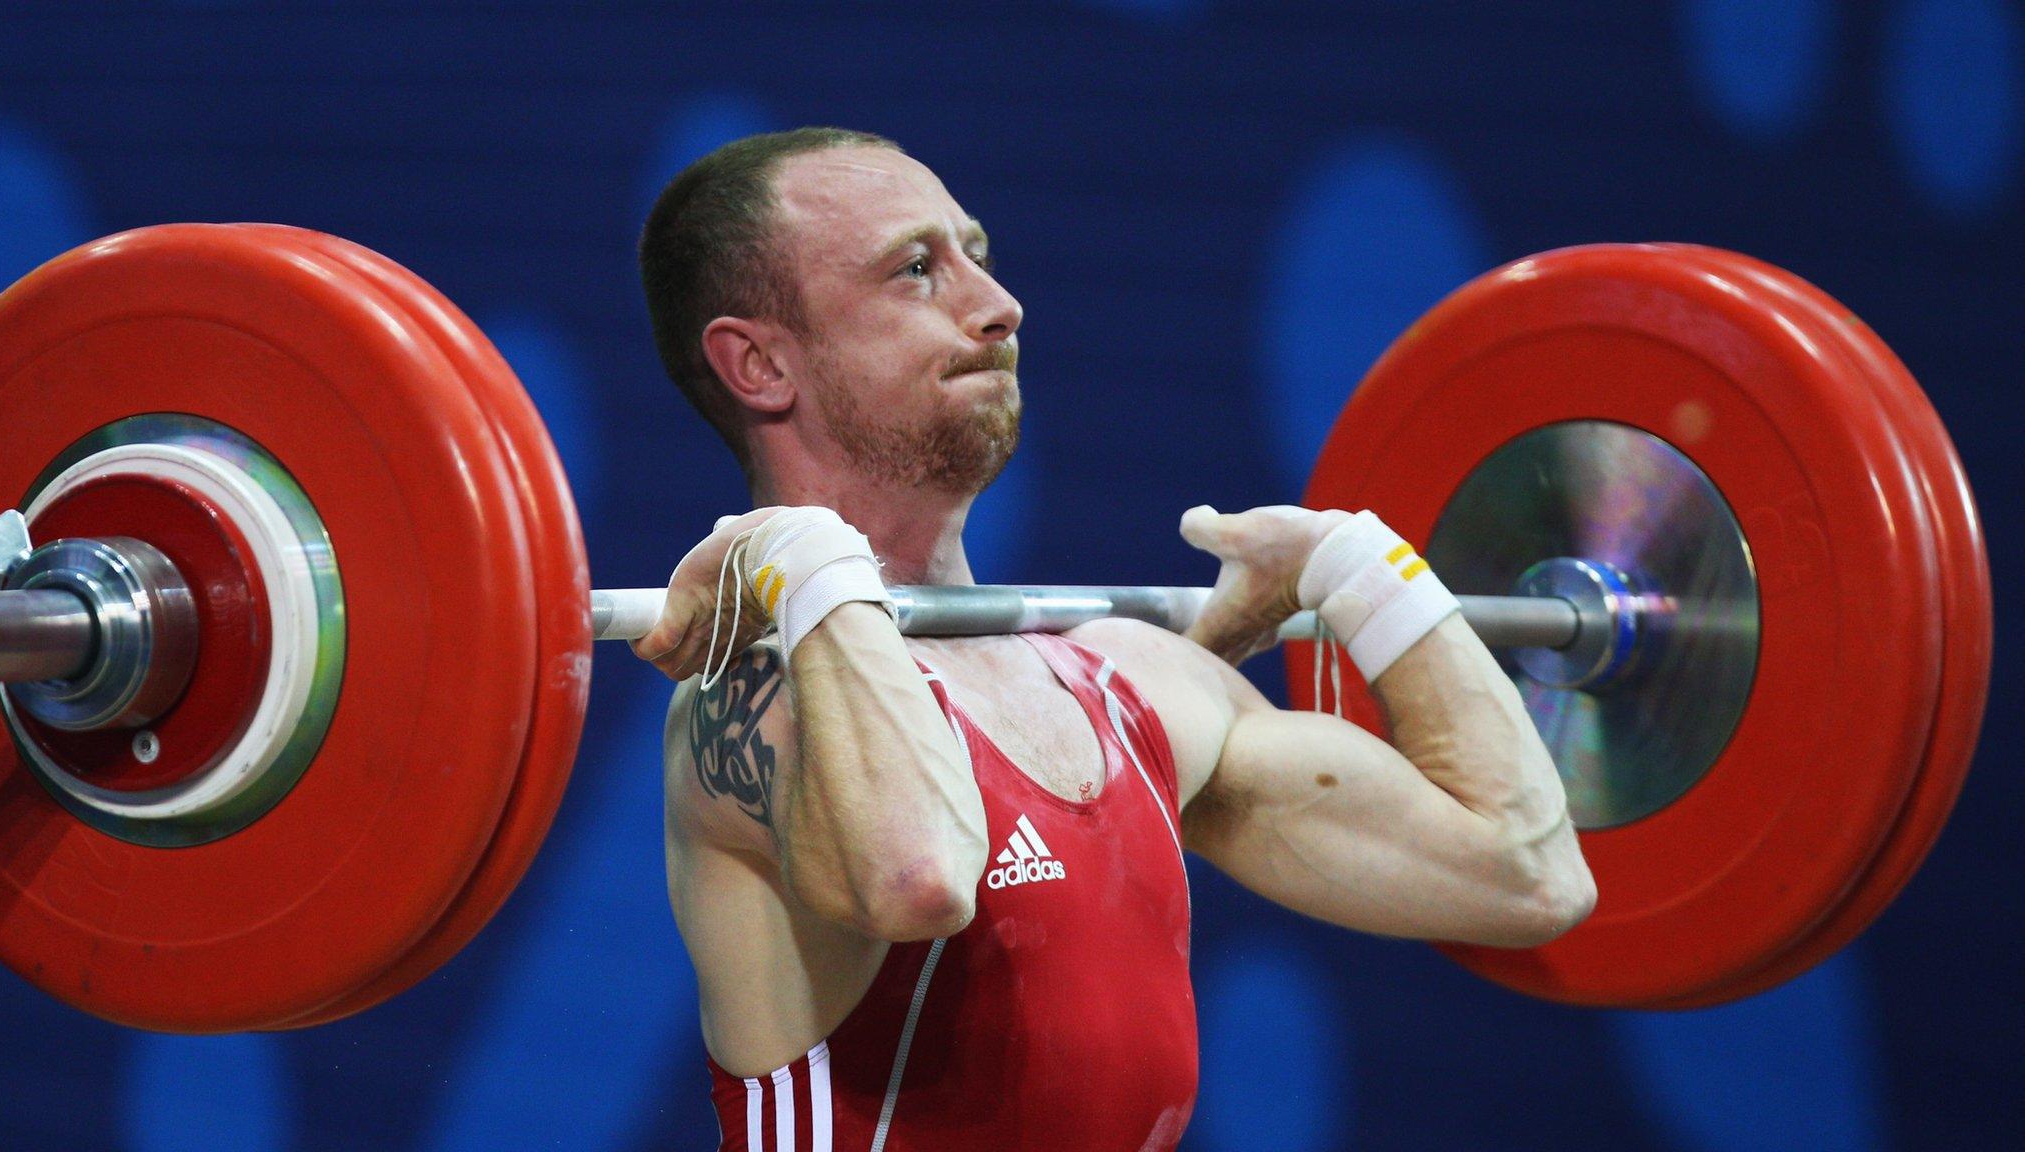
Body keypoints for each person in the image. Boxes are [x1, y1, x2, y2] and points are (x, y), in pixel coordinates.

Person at [633, 128, 1595, 1151]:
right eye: (916, 270)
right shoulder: (747, 704)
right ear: (759, 363)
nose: (998, 306)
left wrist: (1364, 573)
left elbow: (1525, 874)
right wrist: (815, 566)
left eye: (977, 254)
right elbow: (916, 877)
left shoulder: (1133, 684)